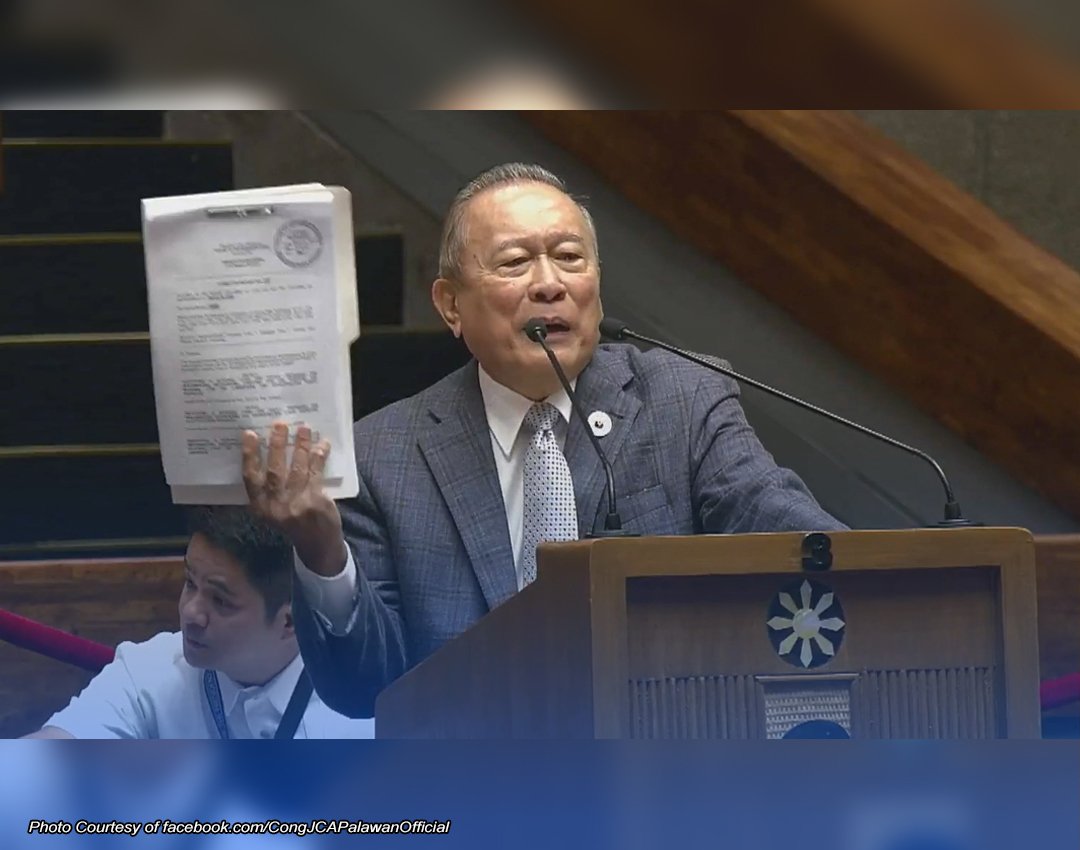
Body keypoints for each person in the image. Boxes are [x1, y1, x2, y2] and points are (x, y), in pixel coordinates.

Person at [241, 162, 845, 719]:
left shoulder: (682, 402)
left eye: (570, 258)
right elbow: (363, 687)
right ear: (451, 305)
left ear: (597, 287)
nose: (550, 284)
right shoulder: (382, 455)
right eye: (514, 263)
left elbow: (798, 538)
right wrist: (323, 553)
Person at [23, 506, 374, 739]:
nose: (191, 613)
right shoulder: (153, 668)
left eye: (220, 600)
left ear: (290, 622)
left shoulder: (361, 714)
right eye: (190, 582)